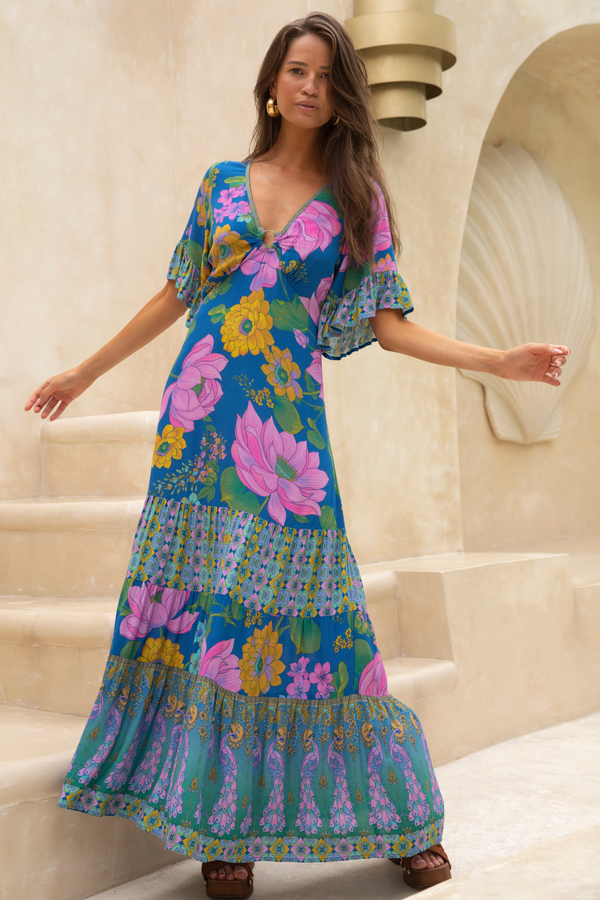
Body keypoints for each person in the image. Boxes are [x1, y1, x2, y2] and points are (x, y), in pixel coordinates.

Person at [24, 12, 569, 898]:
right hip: (199, 417)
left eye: (326, 76)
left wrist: (495, 361)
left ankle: (399, 822)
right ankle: (222, 833)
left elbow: (388, 326)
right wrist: (86, 371)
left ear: (340, 93)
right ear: (271, 83)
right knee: (211, 616)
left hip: (286, 437)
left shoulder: (359, 202)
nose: (311, 87)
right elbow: (176, 292)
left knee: (326, 618)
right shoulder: (221, 184)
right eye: (297, 70)